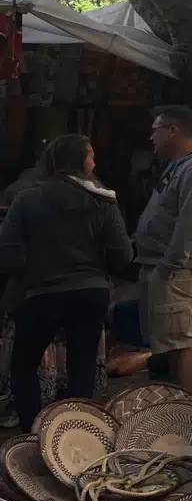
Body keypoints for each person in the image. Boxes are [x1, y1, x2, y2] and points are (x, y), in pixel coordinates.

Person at [0, 135, 131, 432]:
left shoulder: (26, 199)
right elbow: (123, 256)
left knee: (23, 365)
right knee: (81, 365)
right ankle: (75, 435)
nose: (95, 162)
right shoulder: (102, 201)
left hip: (40, 295)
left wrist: (30, 271)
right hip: (90, 293)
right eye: (92, 156)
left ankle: (33, 434)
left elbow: (7, 253)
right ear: (82, 162)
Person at [134, 104, 192, 399]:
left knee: (184, 340)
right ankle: (181, 402)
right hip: (163, 266)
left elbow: (191, 223)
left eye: (155, 130)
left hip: (176, 270)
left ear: (173, 130)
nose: (151, 138)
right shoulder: (178, 168)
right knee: (171, 341)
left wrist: (168, 266)